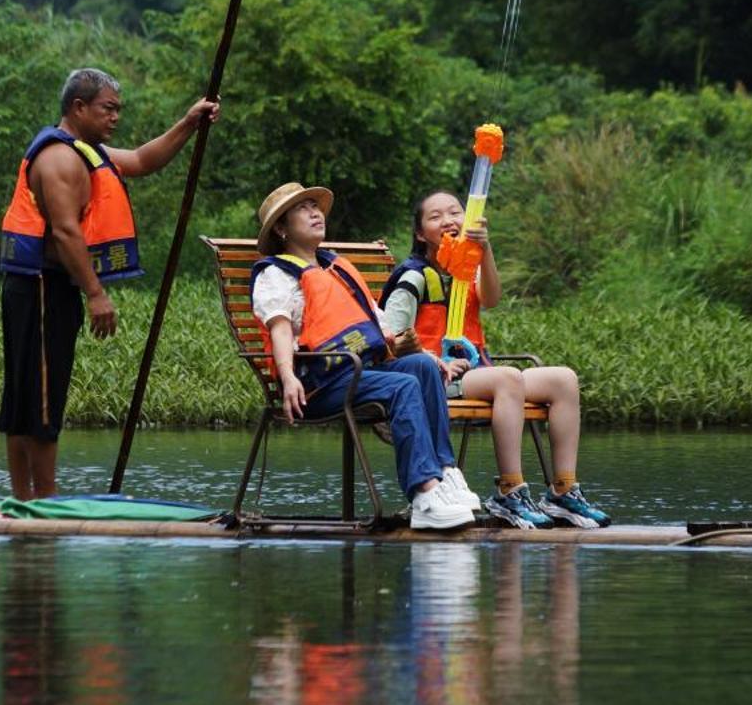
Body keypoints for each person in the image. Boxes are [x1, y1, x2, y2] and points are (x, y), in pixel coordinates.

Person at [0, 67, 218, 500]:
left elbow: (141, 160)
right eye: (107, 109)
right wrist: (96, 293)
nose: (115, 117)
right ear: (78, 107)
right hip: (39, 287)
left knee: (36, 394)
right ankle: (39, 501)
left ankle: (30, 499)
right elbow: (64, 231)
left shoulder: (86, 151)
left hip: (50, 288)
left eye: (118, 109)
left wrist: (189, 123)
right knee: (36, 398)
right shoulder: (59, 158)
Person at [249, 182, 479, 532]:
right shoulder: (275, 274)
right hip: (318, 385)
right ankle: (424, 492)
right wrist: (288, 376)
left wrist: (431, 358)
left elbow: (381, 325)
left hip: (362, 373)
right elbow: (279, 328)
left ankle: (444, 473)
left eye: (316, 206)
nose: (315, 213)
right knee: (403, 386)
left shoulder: (336, 269)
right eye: (302, 209)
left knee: (420, 368)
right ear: (281, 228)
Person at [380, 190, 611, 528]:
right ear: (419, 233)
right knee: (508, 378)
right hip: (434, 378)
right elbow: (390, 335)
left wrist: (484, 249)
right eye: (435, 216)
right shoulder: (413, 276)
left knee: (564, 380)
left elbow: (492, 297)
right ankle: (509, 492)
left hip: (476, 370)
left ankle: (562, 492)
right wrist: (433, 359)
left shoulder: (466, 270)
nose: (448, 221)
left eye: (455, 212)